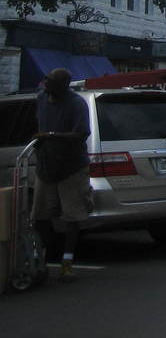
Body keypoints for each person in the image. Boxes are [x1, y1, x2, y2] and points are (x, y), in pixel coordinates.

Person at [32, 68, 92, 283]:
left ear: (63, 85)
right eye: (46, 80)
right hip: (46, 167)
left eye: (51, 81)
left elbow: (82, 133)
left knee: (72, 217)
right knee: (40, 216)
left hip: (71, 168)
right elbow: (37, 123)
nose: (46, 84)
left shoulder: (76, 103)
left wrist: (52, 136)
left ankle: (67, 263)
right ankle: (40, 261)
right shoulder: (41, 99)